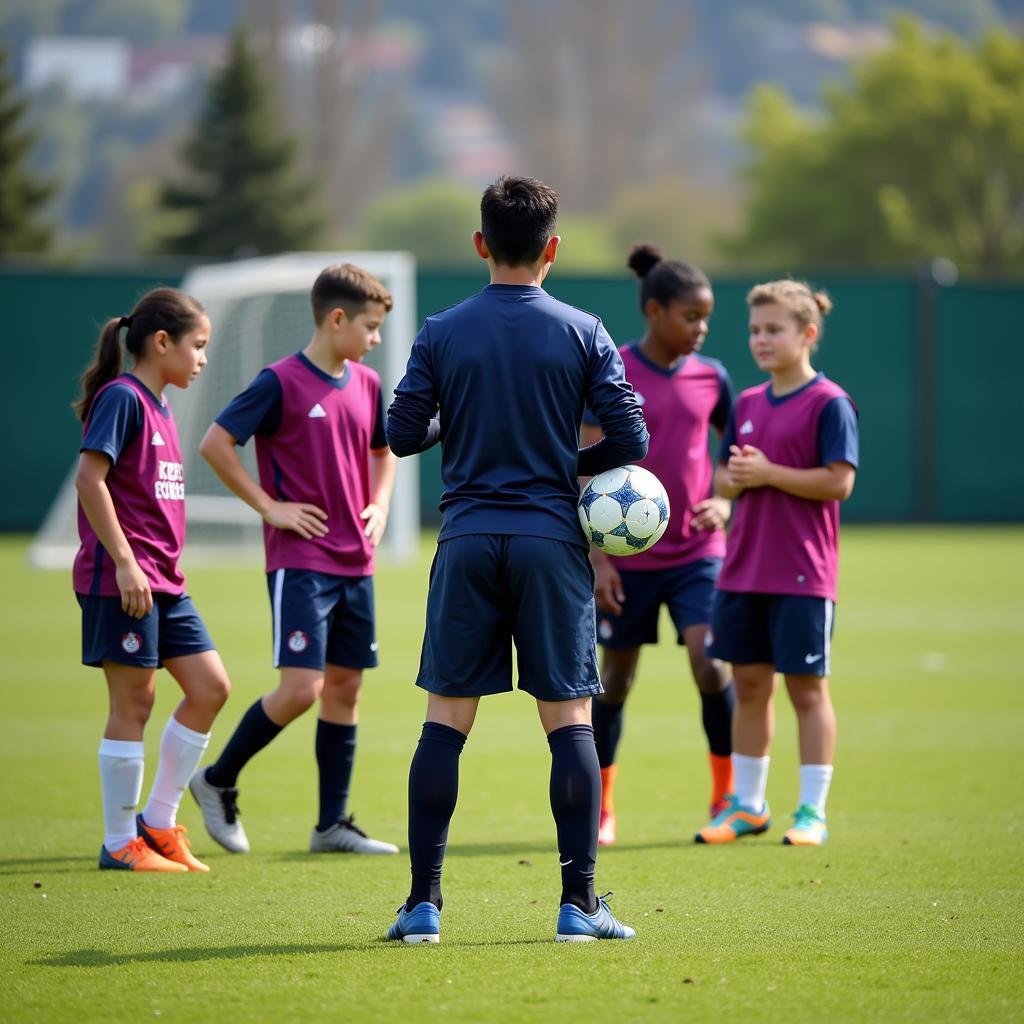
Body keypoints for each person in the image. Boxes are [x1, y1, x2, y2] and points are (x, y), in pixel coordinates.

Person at [384, 175, 649, 945]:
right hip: (550, 542)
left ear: (480, 244)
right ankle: (578, 907)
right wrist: (559, 457)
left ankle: (423, 907)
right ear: (553, 250)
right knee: (569, 721)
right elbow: (630, 442)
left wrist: (462, 431)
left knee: (445, 723)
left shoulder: (441, 329)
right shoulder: (585, 329)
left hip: (467, 538)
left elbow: (401, 435)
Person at [189, 263, 399, 857]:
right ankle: (217, 778)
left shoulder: (365, 382)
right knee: (302, 688)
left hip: (355, 561)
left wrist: (379, 505)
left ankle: (331, 824)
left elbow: (384, 453)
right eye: (370, 327)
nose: (376, 339)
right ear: (337, 319)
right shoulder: (278, 381)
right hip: (301, 561)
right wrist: (269, 507)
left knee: (346, 688)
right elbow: (215, 443)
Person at [580, 243, 735, 846]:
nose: (700, 329)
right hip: (627, 560)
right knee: (615, 680)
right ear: (654, 311)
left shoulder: (712, 376)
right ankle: (601, 806)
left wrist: (724, 498)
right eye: (690, 317)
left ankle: (727, 794)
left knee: (710, 661)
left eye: (706, 319)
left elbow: (735, 445)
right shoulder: (614, 372)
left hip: (698, 552)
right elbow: (588, 465)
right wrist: (600, 556)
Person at [73, 287, 231, 873]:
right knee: (135, 701)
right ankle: (119, 844)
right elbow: (91, 482)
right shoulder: (123, 398)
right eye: (199, 345)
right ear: (162, 342)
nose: (204, 358)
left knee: (211, 687)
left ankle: (158, 823)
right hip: (126, 580)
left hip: (166, 581)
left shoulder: (161, 405)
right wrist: (124, 561)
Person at [697, 280, 858, 847]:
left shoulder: (829, 403)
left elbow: (839, 482)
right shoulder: (745, 403)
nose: (760, 340)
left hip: (803, 575)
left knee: (807, 690)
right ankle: (747, 805)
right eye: (754, 331)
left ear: (807, 334)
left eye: (773, 330)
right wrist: (727, 490)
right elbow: (724, 478)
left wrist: (770, 474)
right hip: (742, 569)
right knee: (748, 684)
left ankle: (811, 811)